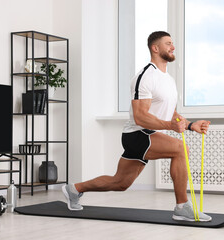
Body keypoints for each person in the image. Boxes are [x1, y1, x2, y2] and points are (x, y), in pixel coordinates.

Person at [62, 31, 212, 222]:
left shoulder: (169, 80)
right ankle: (182, 206)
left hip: (150, 135)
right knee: (180, 149)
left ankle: (74, 189)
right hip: (138, 134)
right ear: (155, 48)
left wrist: (191, 125)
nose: (173, 47)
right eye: (168, 43)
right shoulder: (145, 76)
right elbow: (141, 117)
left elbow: (170, 113)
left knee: (120, 182)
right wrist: (169, 126)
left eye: (172, 43)